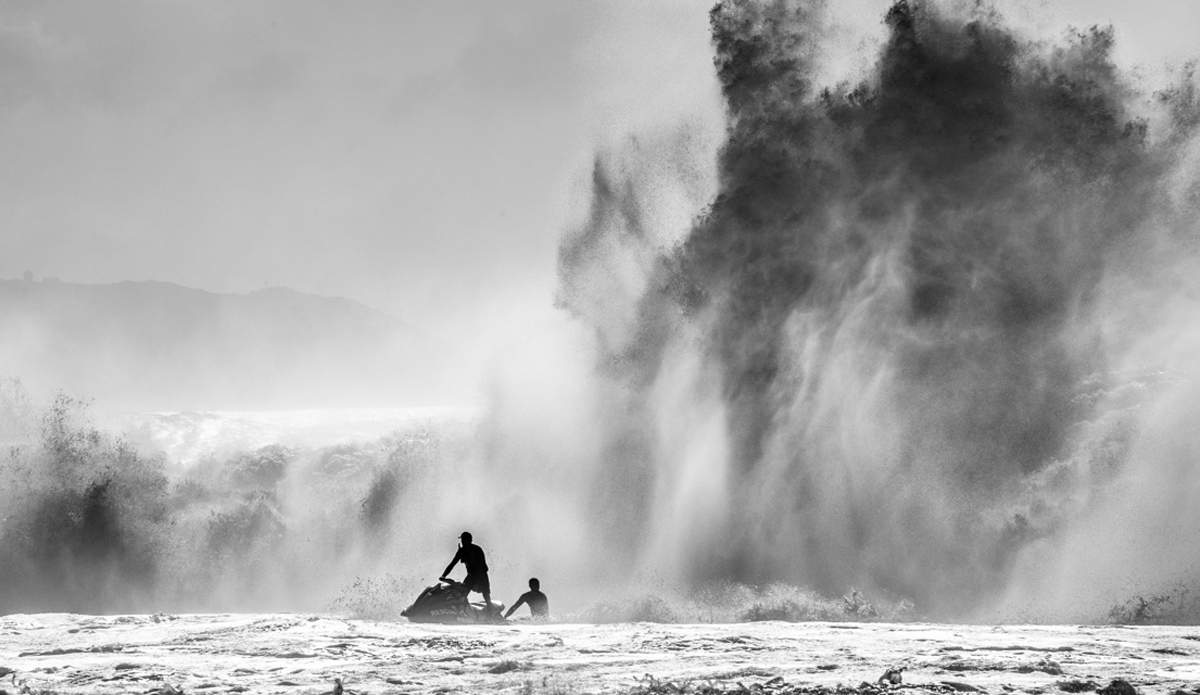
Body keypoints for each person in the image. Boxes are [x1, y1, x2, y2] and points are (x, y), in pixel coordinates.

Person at [441, 531, 492, 609]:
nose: (463, 543)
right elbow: (452, 564)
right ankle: (461, 612)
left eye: (465, 541)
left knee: (486, 595)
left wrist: (476, 583)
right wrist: (443, 575)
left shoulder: (477, 550)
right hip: (471, 576)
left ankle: (492, 614)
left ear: (470, 541)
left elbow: (481, 568)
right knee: (462, 593)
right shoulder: (461, 551)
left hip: (481, 576)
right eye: (462, 541)